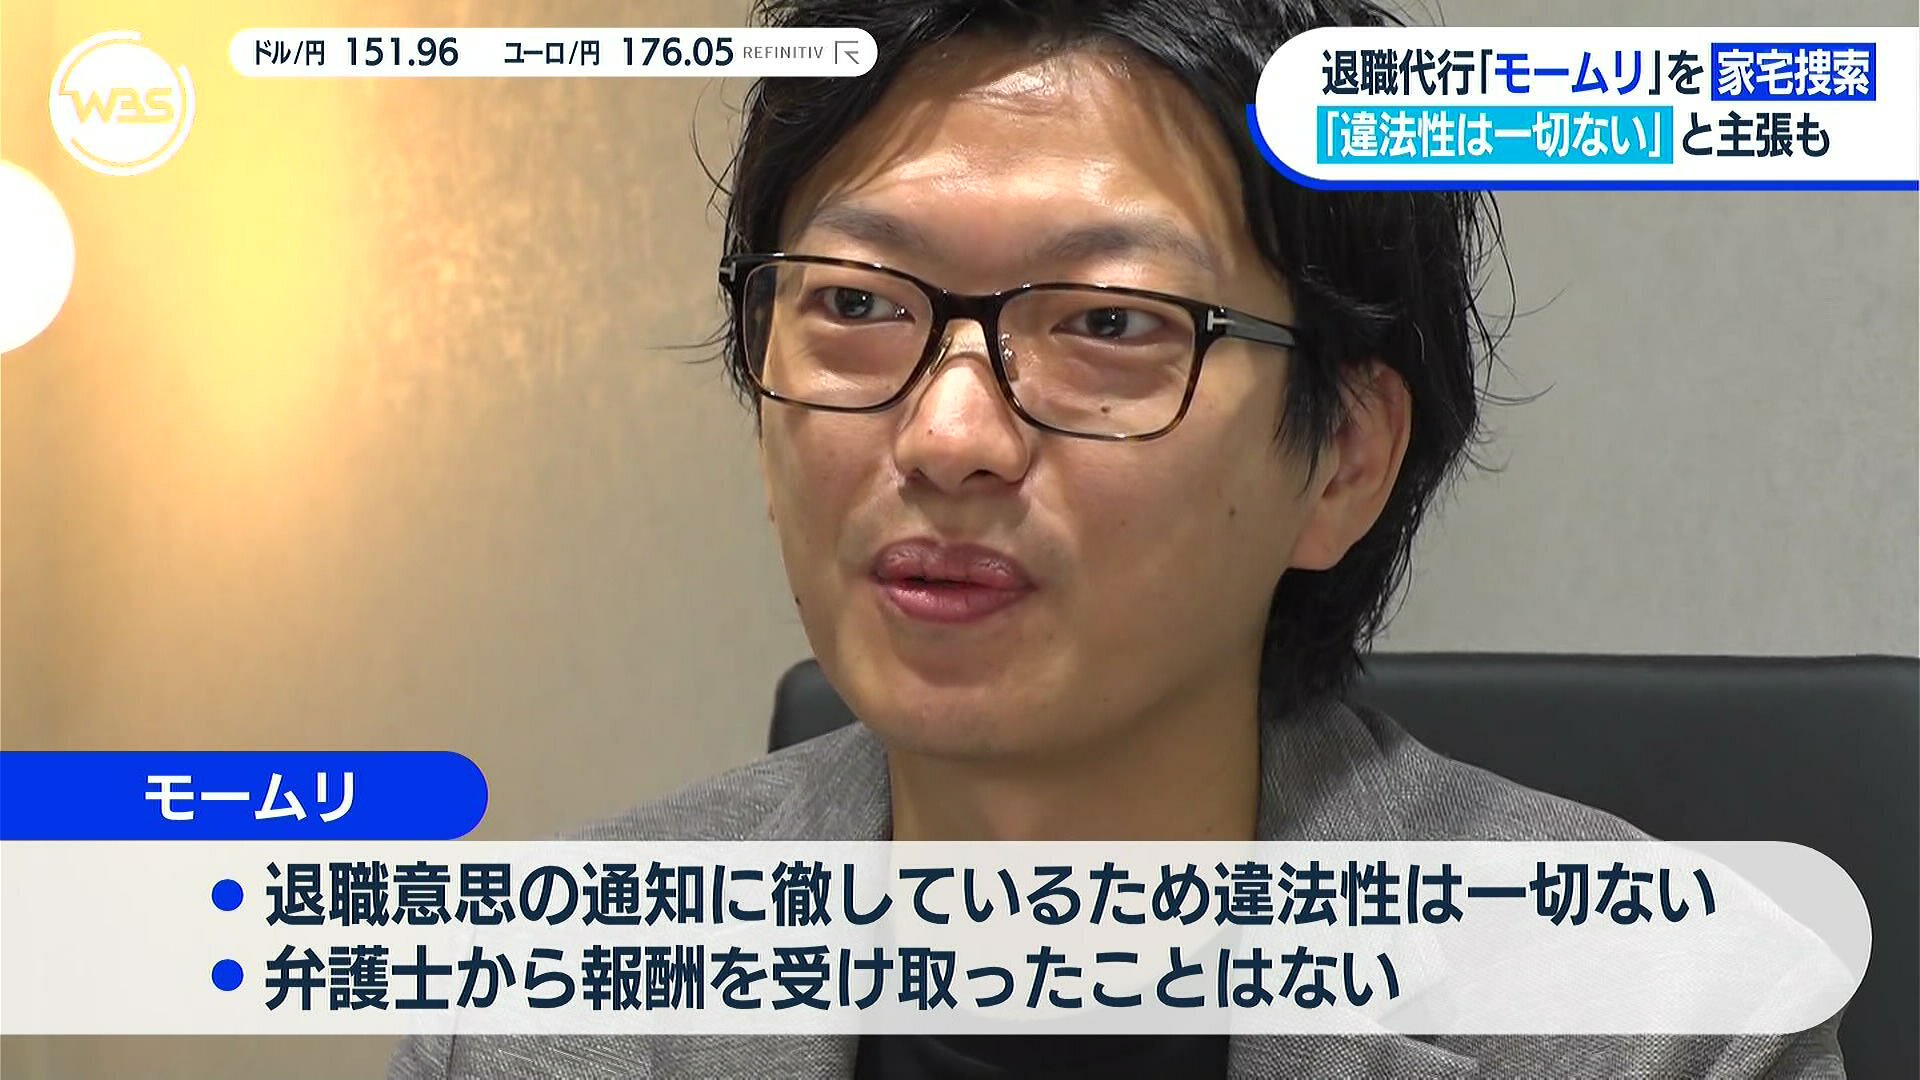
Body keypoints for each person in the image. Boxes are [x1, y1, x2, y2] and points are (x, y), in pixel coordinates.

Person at [393, 0, 1846, 1075]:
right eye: (856, 305)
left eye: (1108, 322)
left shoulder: (1670, 1022)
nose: (946, 433)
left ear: (1341, 459)